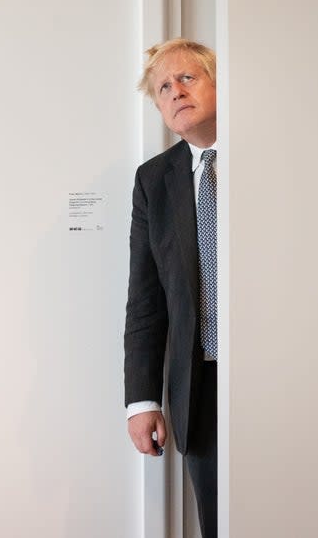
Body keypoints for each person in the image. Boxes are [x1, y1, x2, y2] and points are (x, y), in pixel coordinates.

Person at [124, 38, 218, 537]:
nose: (176, 92)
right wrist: (143, 402)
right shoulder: (153, 182)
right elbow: (145, 300)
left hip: (282, 374)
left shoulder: (268, 158)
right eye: (164, 87)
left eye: (187, 78)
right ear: (160, 109)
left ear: (218, 82)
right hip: (200, 387)